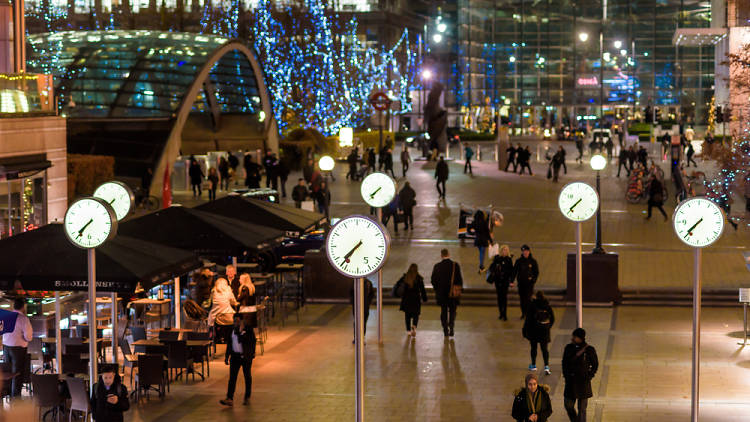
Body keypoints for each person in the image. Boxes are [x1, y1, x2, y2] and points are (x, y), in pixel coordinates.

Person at [562, 328, 599, 422]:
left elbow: (595, 365)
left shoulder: (589, 350)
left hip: (583, 383)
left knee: (582, 409)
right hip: (571, 382)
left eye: (575, 337)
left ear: (580, 338)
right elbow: (564, 363)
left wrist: (589, 376)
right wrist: (566, 376)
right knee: (568, 405)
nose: (573, 338)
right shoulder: (568, 348)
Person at [219, 313, 256, 407]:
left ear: (242, 321)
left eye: (238, 321)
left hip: (245, 357)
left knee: (247, 376)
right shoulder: (232, 329)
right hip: (235, 356)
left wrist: (240, 331)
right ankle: (229, 398)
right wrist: (227, 356)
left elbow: (250, 342)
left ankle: (247, 397)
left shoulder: (248, 329)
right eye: (234, 321)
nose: (236, 323)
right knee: (232, 378)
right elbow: (229, 343)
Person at [2, 298, 32, 397]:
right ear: (23, 307)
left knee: (8, 372)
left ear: (13, 306)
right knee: (17, 373)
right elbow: (29, 337)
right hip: (18, 349)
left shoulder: (7, 317)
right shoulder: (23, 319)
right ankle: (16, 397)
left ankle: (7, 393)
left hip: (6, 347)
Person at [431, 249, 463, 337]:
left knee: (443, 311)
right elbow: (459, 280)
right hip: (452, 294)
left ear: (441, 255)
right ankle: (451, 327)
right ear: (449, 254)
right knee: (452, 311)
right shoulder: (455, 265)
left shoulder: (437, 266)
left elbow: (433, 280)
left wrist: (437, 289)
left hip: (442, 294)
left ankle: (445, 330)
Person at [523, 291, 555, 374]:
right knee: (544, 349)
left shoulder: (532, 305)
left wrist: (525, 330)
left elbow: (528, 320)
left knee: (534, 348)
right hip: (544, 331)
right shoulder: (547, 306)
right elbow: (552, 319)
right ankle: (546, 366)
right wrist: (547, 326)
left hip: (534, 331)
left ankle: (533, 365)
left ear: (536, 297)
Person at [393, 263, 428, 337]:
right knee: (416, 314)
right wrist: (424, 298)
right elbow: (422, 290)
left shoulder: (405, 277)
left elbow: (398, 284)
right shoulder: (419, 278)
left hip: (406, 299)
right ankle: (414, 326)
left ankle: (408, 330)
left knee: (407, 315)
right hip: (416, 299)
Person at [487, 245, 514, 320]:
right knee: (499, 297)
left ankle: (505, 314)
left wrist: (511, 281)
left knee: (504, 297)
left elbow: (511, 271)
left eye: (506, 250)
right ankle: (501, 313)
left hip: (505, 281)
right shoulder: (497, 259)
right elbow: (492, 268)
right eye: (503, 250)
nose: (504, 251)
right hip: (498, 281)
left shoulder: (509, 259)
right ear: (501, 251)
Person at [208, 278, 238, 347]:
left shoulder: (214, 291)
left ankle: (212, 337)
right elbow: (234, 302)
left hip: (218, 318)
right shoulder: (228, 290)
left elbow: (210, 303)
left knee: (210, 316)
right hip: (229, 317)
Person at [514, 245, 539, 319]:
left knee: (528, 299)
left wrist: (533, 279)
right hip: (521, 284)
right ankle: (523, 313)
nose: (525, 252)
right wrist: (511, 280)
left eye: (526, 251)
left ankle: (529, 313)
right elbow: (514, 271)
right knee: (522, 299)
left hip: (529, 284)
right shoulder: (518, 261)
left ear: (529, 251)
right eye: (524, 251)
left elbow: (536, 272)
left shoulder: (533, 261)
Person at [349, 278, 375, 342]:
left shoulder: (368, 282)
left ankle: (362, 337)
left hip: (365, 305)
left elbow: (371, 294)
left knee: (363, 322)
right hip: (357, 305)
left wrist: (368, 302)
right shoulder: (355, 281)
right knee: (357, 321)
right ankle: (357, 337)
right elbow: (351, 293)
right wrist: (353, 302)